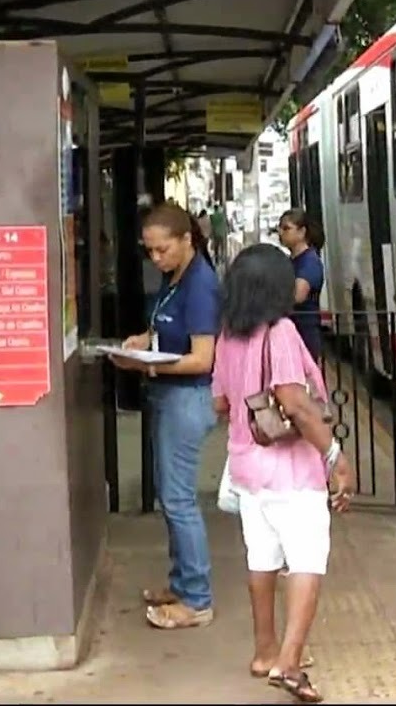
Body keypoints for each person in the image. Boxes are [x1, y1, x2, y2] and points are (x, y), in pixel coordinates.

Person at [213, 244, 356, 703]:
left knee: (262, 557)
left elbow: (220, 403)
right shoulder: (281, 333)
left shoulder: (228, 335)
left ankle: (264, 651)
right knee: (307, 558)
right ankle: (290, 662)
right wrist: (334, 455)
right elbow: (295, 403)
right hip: (290, 470)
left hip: (247, 467)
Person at [115, 201, 222, 630]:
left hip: (187, 398)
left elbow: (202, 359)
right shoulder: (175, 280)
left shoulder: (201, 285)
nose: (156, 258)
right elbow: (165, 331)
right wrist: (142, 341)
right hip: (169, 395)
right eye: (150, 251)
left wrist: (148, 365)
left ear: (186, 240)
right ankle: (181, 584)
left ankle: (196, 598)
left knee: (178, 500)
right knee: (171, 495)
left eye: (162, 249)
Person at [277, 208, 326, 361]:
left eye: (286, 228)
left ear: (302, 231)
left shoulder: (309, 262)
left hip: (305, 335)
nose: (280, 233)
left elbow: (298, 295)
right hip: (292, 334)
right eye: (280, 228)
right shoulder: (291, 261)